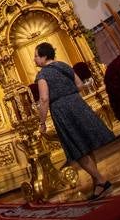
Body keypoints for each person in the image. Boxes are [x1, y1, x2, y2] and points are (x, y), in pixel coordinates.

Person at [34, 41, 114, 200]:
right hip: (77, 103)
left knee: (77, 149)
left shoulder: (42, 75)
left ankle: (101, 181)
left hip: (62, 111)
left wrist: (42, 122)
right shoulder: (64, 65)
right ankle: (96, 181)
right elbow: (80, 85)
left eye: (36, 56)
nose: (34, 60)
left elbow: (44, 99)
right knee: (86, 145)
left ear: (44, 57)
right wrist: (69, 94)